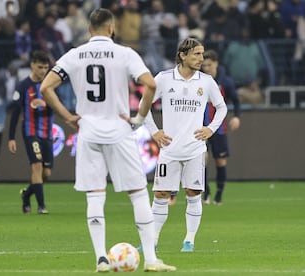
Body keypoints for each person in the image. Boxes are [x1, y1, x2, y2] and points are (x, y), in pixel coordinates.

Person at [40, 8, 176, 273]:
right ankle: (150, 259)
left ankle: (101, 259)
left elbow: (45, 87)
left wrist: (68, 116)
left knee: (95, 194)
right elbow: (150, 84)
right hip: (119, 130)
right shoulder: (124, 54)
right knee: (137, 194)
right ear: (111, 28)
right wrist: (139, 118)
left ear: (89, 29)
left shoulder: (74, 54)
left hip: (88, 131)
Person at [142, 38, 227, 253]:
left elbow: (221, 107)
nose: (201, 58)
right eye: (197, 54)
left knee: (193, 193)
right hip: (169, 150)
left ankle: (189, 240)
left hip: (195, 149)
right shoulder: (163, 79)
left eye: (202, 54)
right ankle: (152, 240)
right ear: (183, 55)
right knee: (161, 195)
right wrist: (155, 131)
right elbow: (144, 105)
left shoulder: (206, 82)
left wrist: (210, 128)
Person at [8, 50, 52, 215]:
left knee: (46, 173)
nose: (43, 71)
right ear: (32, 66)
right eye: (40, 67)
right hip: (30, 132)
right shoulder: (23, 86)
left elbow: (59, 104)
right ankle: (41, 206)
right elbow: (14, 112)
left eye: (46, 67)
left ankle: (26, 195)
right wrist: (11, 137)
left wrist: (45, 104)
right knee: (37, 166)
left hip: (47, 133)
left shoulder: (51, 83)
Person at [201, 49, 241, 205]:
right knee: (202, 160)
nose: (206, 68)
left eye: (209, 65)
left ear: (216, 64)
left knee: (220, 161)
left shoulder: (225, 82)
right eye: (204, 65)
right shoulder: (199, 80)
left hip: (219, 128)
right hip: (201, 128)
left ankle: (218, 194)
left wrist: (236, 116)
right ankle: (206, 192)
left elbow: (236, 100)